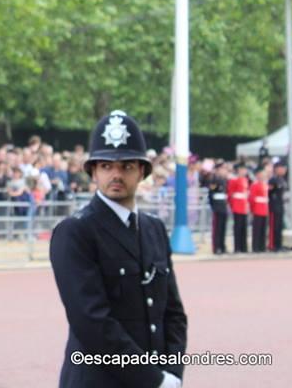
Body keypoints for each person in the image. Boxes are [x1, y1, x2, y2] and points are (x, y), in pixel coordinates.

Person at [50, 110, 187, 388]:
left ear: (141, 172)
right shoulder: (76, 231)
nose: (116, 174)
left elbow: (172, 313)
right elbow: (92, 322)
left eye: (126, 166)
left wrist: (171, 373)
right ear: (93, 171)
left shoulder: (154, 229)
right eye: (106, 166)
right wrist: (153, 378)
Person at [207, 162, 229, 255]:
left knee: (223, 227)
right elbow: (211, 194)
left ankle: (222, 246)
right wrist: (213, 206)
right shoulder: (214, 180)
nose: (224, 171)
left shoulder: (224, 180)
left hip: (223, 205)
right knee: (217, 228)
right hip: (217, 206)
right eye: (222, 169)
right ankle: (216, 247)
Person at [228, 164, 250, 253]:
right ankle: (237, 248)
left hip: (244, 206)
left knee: (244, 227)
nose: (244, 171)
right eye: (242, 170)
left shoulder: (245, 180)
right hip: (237, 206)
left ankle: (244, 247)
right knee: (237, 227)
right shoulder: (234, 180)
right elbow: (231, 194)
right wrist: (233, 205)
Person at [268, 161, 288, 252]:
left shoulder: (282, 180)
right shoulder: (273, 180)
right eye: (282, 168)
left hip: (280, 205)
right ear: (277, 169)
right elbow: (269, 192)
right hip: (274, 206)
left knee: (279, 227)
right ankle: (273, 245)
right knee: (274, 226)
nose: (284, 170)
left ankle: (279, 244)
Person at [249, 168, 269, 253]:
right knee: (257, 230)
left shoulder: (265, 184)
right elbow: (252, 198)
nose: (263, 176)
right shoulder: (254, 185)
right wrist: (252, 209)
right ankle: (256, 247)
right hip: (257, 209)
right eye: (261, 174)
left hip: (265, 209)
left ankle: (262, 246)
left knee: (263, 229)